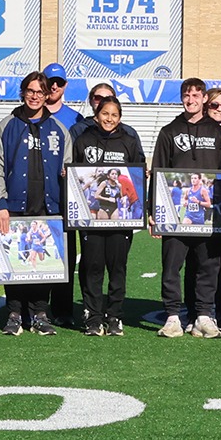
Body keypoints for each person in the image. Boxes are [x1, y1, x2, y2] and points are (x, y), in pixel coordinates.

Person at [0, 70, 69, 336]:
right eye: (30, 91)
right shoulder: (7, 125)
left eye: (40, 92)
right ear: (23, 92)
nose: (35, 96)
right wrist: (0, 202)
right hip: (15, 205)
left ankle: (40, 314)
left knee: (42, 262)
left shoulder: (58, 129)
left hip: (48, 206)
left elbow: (69, 169)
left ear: (47, 95)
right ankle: (14, 313)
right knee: (15, 259)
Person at [151, 77, 221, 339]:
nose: (191, 99)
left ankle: (203, 316)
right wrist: (155, 212)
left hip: (210, 214)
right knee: (172, 265)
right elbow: (159, 171)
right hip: (176, 212)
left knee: (209, 265)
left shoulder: (218, 132)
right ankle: (173, 315)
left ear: (204, 99)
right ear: (182, 97)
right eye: (187, 94)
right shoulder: (169, 131)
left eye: (196, 95)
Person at [72, 96, 146, 336]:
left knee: (117, 268)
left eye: (114, 115)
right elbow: (75, 173)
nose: (109, 119)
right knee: (93, 266)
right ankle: (93, 317)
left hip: (120, 220)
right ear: (97, 113)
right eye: (105, 113)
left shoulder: (129, 142)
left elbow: (138, 174)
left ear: (120, 118)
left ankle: (114, 316)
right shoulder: (83, 139)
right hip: (92, 217)